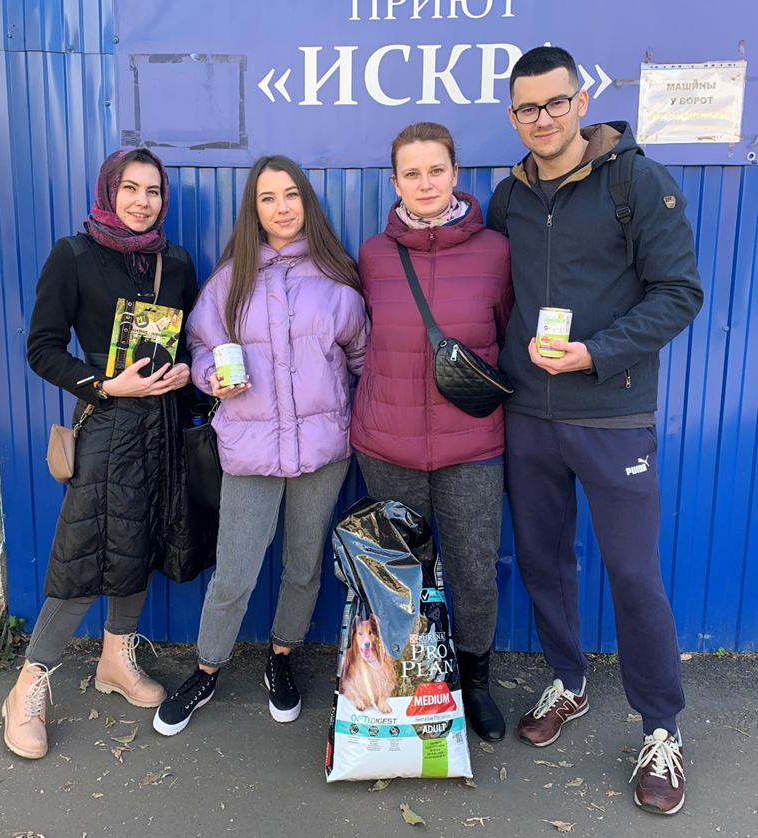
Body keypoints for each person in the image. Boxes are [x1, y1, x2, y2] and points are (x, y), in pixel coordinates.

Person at [486, 46, 704, 814]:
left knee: (632, 574)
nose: (541, 118)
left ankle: (661, 727)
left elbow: (678, 293)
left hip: (611, 414)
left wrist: (595, 354)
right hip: (527, 415)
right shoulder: (507, 197)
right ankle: (568, 679)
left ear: (580, 102)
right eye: (526, 107)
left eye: (555, 102)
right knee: (541, 561)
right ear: (512, 116)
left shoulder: (634, 182)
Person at [153, 155, 369, 734]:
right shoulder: (230, 279)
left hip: (322, 450)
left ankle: (281, 657)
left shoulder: (337, 278)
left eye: (291, 194)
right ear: (254, 209)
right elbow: (200, 348)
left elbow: (361, 358)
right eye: (268, 197)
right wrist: (210, 377)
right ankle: (206, 669)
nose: (282, 207)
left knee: (303, 565)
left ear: (307, 202)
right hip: (249, 449)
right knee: (235, 572)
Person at [4, 148, 200, 759]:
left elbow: (188, 340)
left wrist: (186, 373)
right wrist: (106, 385)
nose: (143, 201)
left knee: (139, 540)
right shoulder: (74, 254)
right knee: (85, 552)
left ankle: (116, 659)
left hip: (161, 425)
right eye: (131, 188)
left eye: (154, 191)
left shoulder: (175, 261)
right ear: (109, 191)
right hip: (107, 426)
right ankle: (27, 686)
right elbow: (41, 348)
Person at [350, 122, 514, 742]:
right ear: (395, 182)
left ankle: (475, 681)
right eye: (412, 173)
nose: (425, 183)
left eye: (436, 170)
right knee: (401, 576)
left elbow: (507, 335)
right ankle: (412, 684)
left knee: (473, 569)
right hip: (387, 443)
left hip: (472, 445)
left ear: (455, 174)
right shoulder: (372, 255)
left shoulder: (496, 252)